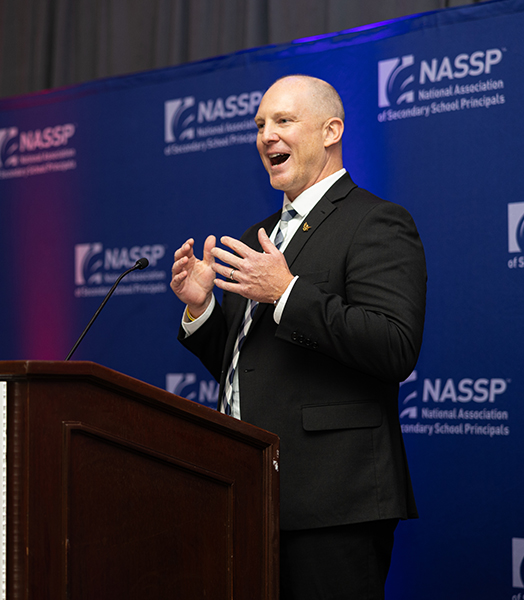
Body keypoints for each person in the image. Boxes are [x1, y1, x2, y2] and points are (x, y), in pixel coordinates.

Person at [170, 75, 427, 600]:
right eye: (260, 125)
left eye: (284, 121)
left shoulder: (377, 222)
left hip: (335, 500)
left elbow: (393, 345)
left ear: (331, 131)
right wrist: (202, 308)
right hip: (250, 490)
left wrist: (287, 291)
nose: (267, 136)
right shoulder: (257, 236)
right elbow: (248, 367)